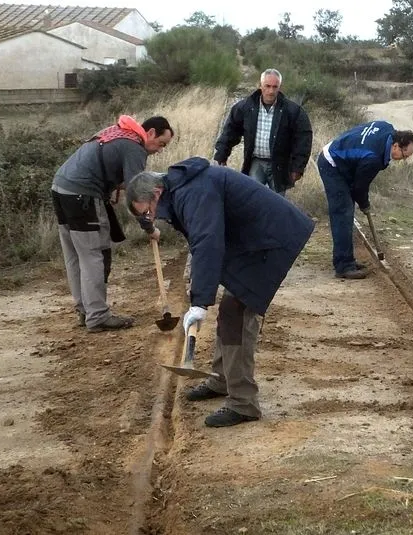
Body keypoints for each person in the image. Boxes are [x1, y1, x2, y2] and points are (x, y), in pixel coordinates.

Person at [125, 157, 314, 427]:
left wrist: (200, 301)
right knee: (230, 310)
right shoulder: (181, 188)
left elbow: (207, 241)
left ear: (156, 194)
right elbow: (202, 239)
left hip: (271, 240)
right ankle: (221, 380)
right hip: (255, 239)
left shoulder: (192, 192)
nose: (150, 217)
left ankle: (243, 403)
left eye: (147, 211)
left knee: (236, 312)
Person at [51, 114, 173, 332]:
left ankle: (85, 310)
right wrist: (149, 227)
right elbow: (138, 194)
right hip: (83, 195)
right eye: (161, 144)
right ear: (151, 133)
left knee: (74, 255)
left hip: (61, 188)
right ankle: (97, 316)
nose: (159, 150)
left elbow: (126, 180)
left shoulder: (118, 133)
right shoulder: (134, 147)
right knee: (93, 255)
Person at [316, 120, 413, 279]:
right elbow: (359, 188)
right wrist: (365, 205)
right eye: (404, 155)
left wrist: (360, 200)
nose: (403, 159)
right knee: (343, 212)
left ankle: (347, 259)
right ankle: (343, 265)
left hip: (343, 158)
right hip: (332, 163)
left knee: (347, 209)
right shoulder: (373, 159)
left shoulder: (387, 127)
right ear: (396, 145)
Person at [213, 68, 313, 196]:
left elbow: (303, 139)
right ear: (260, 86)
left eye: (275, 87)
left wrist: (298, 167)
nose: (271, 91)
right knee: (254, 198)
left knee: (277, 202)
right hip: (255, 162)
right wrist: (222, 153)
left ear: (280, 87)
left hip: (280, 164)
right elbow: (230, 131)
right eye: (267, 86)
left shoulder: (293, 111)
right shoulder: (245, 107)